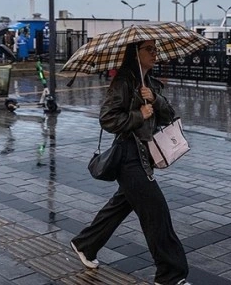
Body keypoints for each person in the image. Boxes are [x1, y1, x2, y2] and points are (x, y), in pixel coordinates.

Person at [70, 40, 191, 285]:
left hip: (144, 155)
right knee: (157, 214)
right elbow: (107, 118)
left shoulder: (151, 83)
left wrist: (155, 100)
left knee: (120, 205)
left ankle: (85, 243)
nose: (155, 54)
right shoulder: (124, 81)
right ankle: (170, 276)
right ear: (135, 53)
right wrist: (139, 114)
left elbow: (170, 114)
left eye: (156, 49)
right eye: (149, 49)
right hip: (128, 156)